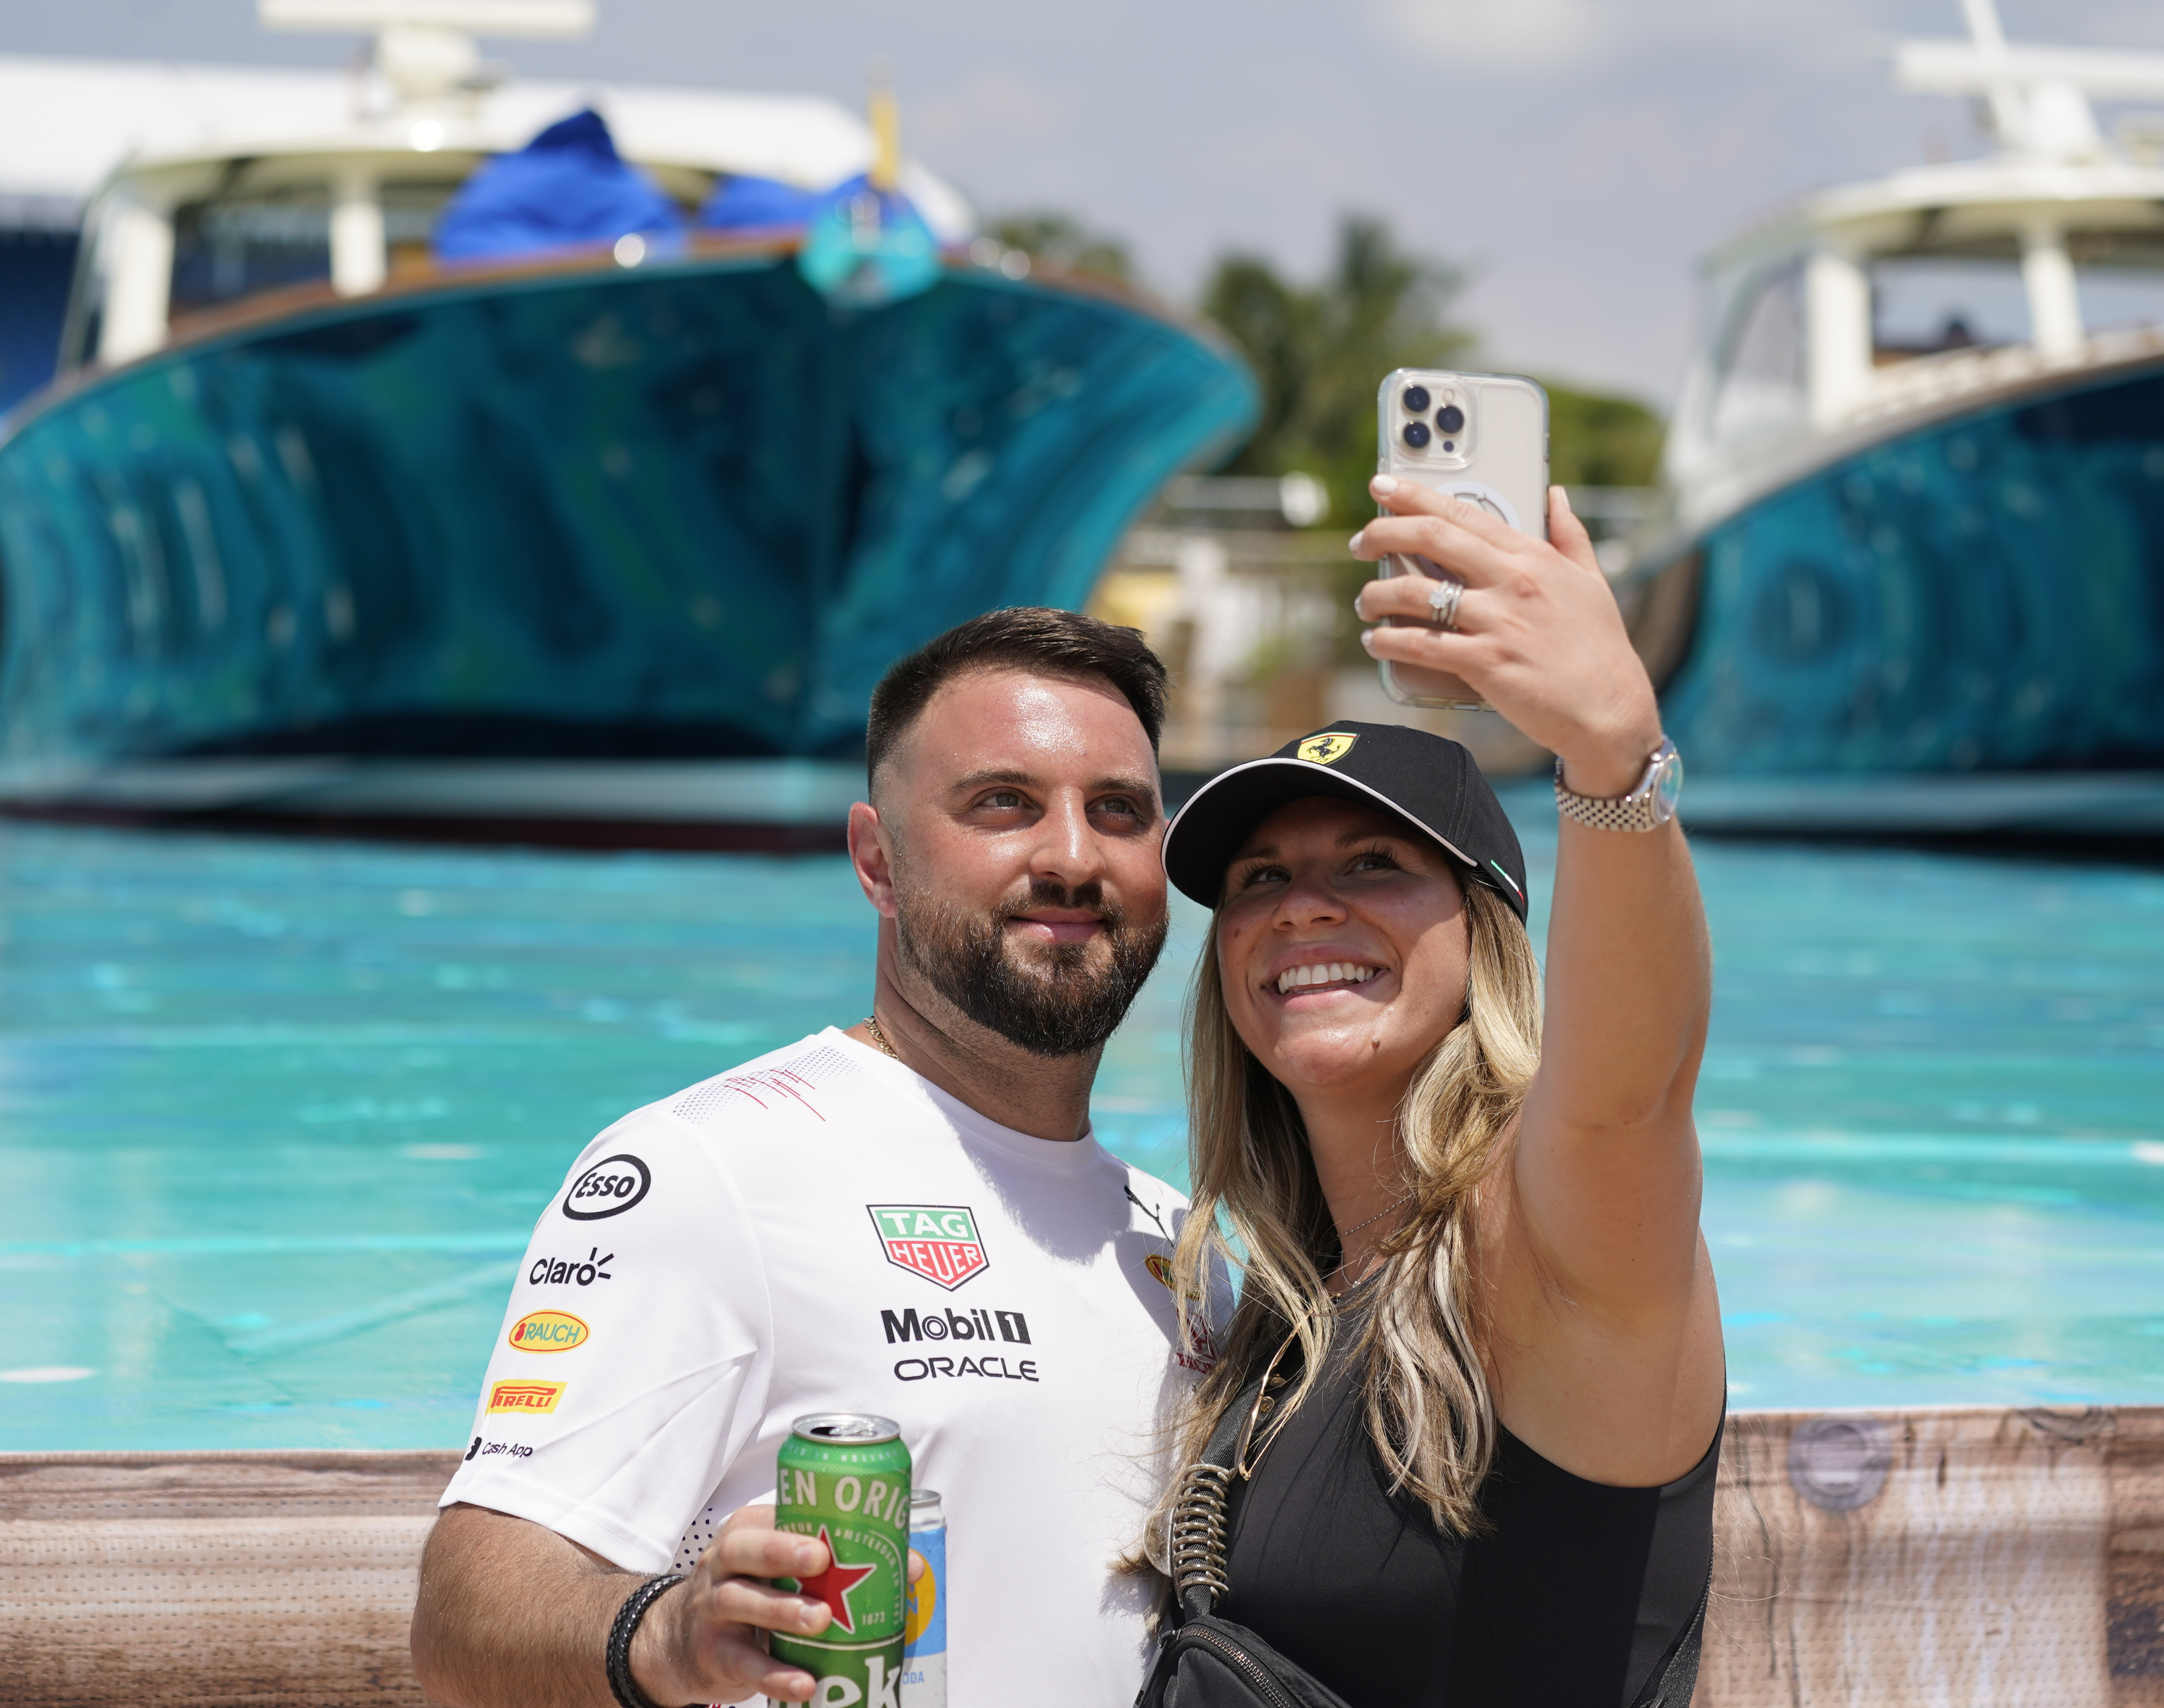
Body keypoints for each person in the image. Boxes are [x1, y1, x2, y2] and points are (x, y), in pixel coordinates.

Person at [412, 608, 1217, 1708]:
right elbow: (466, 1615)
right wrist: (667, 1635)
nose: (1073, 857)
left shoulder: (1179, 1243)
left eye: (1117, 810)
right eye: (1003, 804)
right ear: (877, 862)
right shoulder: (709, 1171)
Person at [1141, 475, 1723, 1708]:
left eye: (1373, 864)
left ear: (1486, 935)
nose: (1303, 906)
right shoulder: (1286, 1315)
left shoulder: (1537, 1250)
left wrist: (1612, 758)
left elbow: (1628, 1096)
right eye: (1259, 877)